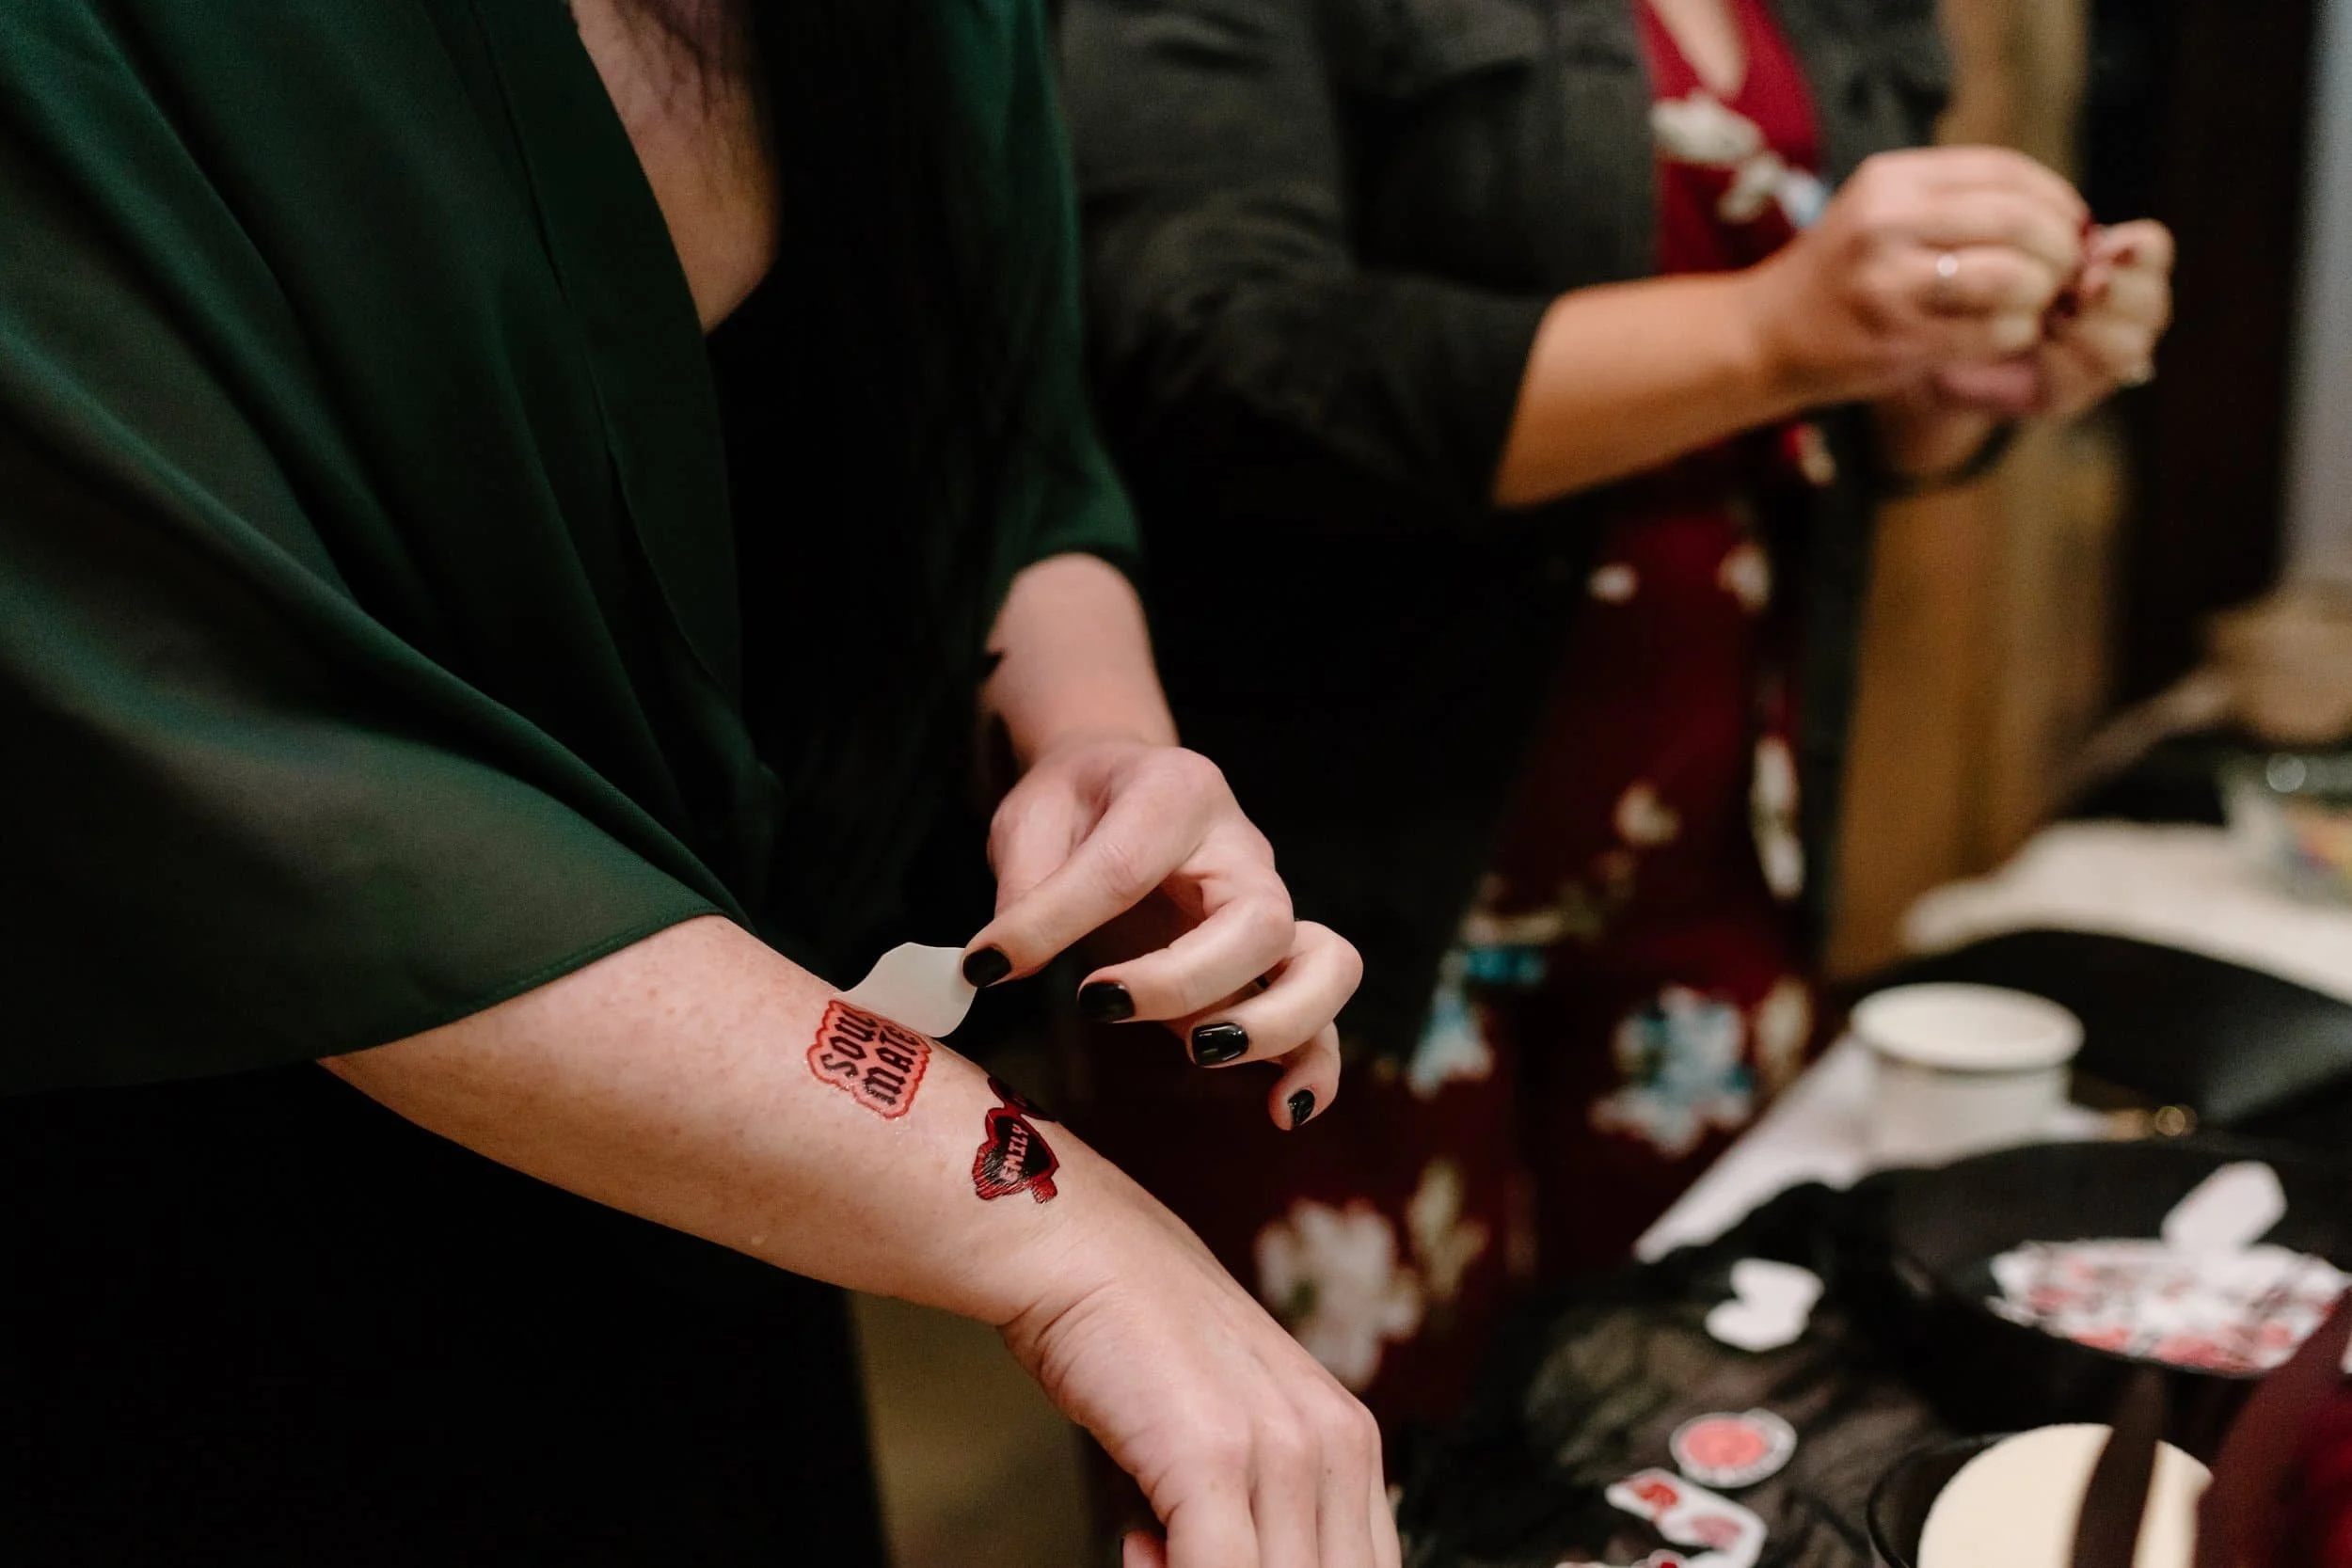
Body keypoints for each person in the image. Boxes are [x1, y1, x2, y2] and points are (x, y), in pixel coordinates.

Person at [0, 2, 1391, 1565]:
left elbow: (1009, 454)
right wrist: (1050, 1217)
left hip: (758, 1187)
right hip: (206, 1227)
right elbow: (215, 743)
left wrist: (1101, 742)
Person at [1058, 0, 2174, 1433]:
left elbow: (1830, 415)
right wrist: (1778, 328)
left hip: (1714, 854)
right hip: (1337, 871)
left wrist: (1956, 384)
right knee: (1318, 1456)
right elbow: (1205, 357)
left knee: (1677, 1422)